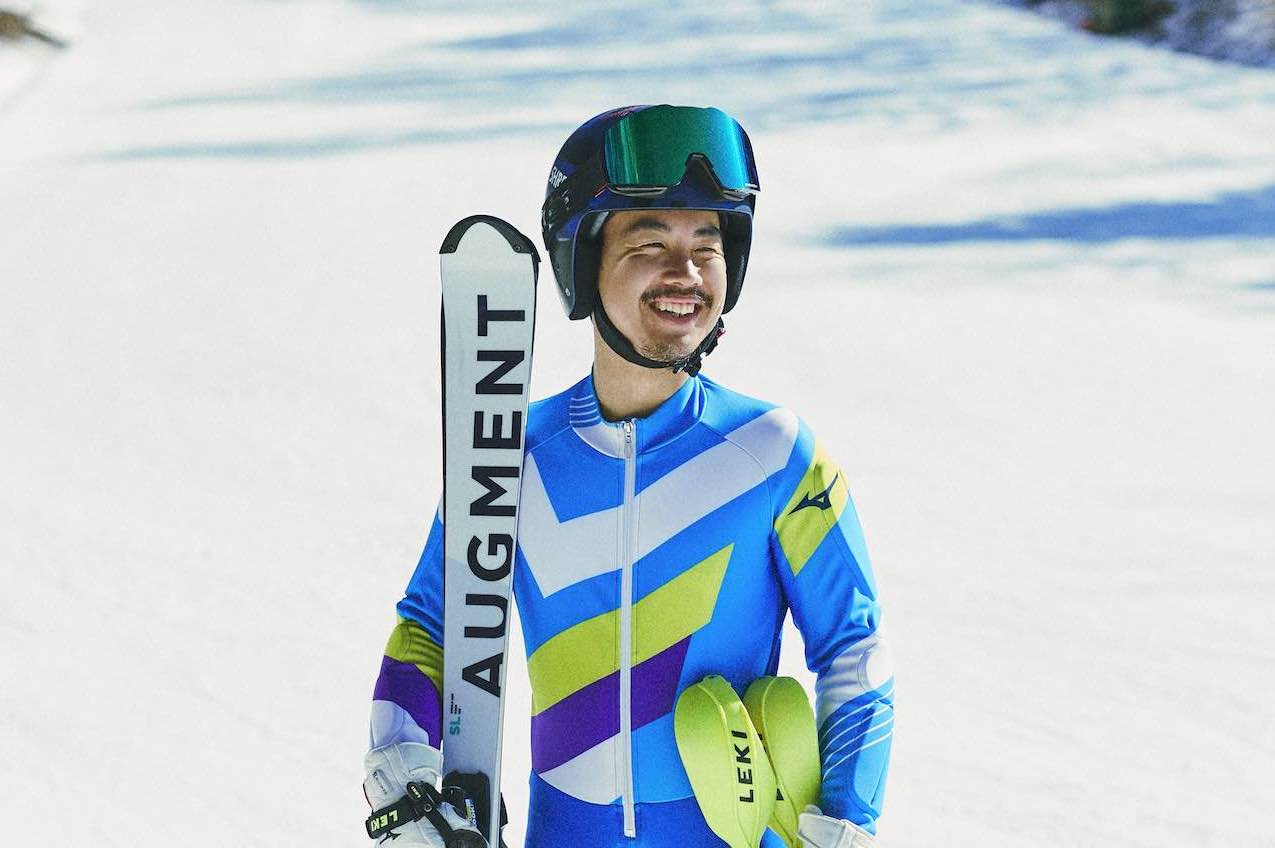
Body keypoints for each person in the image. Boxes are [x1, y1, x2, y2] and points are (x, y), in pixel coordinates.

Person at [363, 105, 894, 847]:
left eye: (707, 247)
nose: (686, 273)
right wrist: (400, 770)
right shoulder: (508, 456)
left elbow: (853, 650)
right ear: (584, 262)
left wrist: (845, 824)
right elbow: (433, 625)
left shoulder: (775, 454)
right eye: (650, 243)